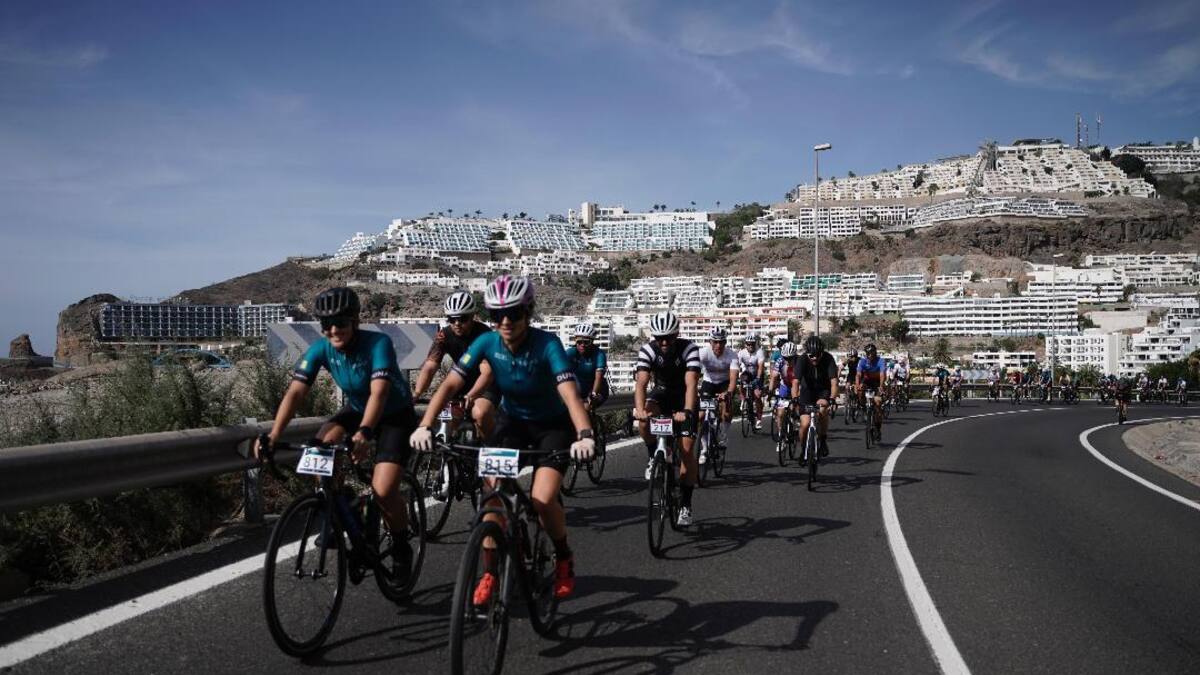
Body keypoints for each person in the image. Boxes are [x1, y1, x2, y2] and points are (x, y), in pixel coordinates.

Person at [410, 275, 595, 603]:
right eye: (497, 315)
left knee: (542, 499)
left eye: (514, 313)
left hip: (552, 426)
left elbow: (569, 393)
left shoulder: (547, 344)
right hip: (513, 423)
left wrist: (584, 434)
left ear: (528, 312)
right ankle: (490, 572)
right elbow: (450, 384)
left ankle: (564, 556)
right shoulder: (486, 343)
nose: (506, 321)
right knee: (492, 499)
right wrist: (425, 425)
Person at [259, 287, 418, 582]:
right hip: (357, 409)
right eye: (327, 324)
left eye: (341, 323)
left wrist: (365, 433)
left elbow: (379, 393)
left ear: (355, 321)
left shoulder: (378, 343)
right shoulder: (321, 349)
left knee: (384, 491)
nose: (334, 330)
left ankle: (401, 547)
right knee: (320, 448)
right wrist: (274, 434)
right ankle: (343, 509)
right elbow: (295, 393)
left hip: (394, 415)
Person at [633, 311, 702, 526]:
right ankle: (653, 455)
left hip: (684, 397)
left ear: (676, 334)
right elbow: (641, 383)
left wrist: (687, 411)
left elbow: (691, 383)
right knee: (643, 419)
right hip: (661, 394)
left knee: (687, 451)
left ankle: (686, 504)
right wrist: (640, 410)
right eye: (659, 338)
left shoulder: (689, 349)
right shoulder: (648, 350)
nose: (664, 342)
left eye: (669, 338)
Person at [412, 290, 498, 439]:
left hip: (487, 384)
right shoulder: (444, 335)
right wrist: (417, 393)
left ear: (472, 316)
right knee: (447, 418)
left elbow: (487, 373)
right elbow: (430, 367)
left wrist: (471, 395)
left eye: (463, 319)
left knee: (480, 413)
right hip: (460, 380)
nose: (457, 323)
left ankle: (488, 446)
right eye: (452, 319)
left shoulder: (484, 335)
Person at [697, 326, 739, 461]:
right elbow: (693, 373)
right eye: (715, 342)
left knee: (726, 410)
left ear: (725, 342)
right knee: (700, 416)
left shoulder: (732, 355)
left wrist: (728, 392)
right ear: (710, 342)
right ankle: (704, 448)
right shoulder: (703, 353)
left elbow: (733, 379)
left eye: (721, 342)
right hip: (709, 383)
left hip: (725, 383)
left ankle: (723, 436)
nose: (718, 345)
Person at [795, 336, 839, 458]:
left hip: (823, 391)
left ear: (822, 353)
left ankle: (823, 440)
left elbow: (834, 382)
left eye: (818, 355)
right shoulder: (802, 359)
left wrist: (832, 399)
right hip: (807, 392)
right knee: (805, 424)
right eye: (811, 356)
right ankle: (803, 449)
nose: (815, 358)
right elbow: (796, 382)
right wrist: (794, 398)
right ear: (807, 354)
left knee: (823, 410)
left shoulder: (828, 358)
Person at [566, 322, 609, 408]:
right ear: (575, 341)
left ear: (592, 342)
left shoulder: (599, 354)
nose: (582, 345)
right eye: (579, 342)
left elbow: (598, 378)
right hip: (579, 388)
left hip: (597, 388)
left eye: (586, 342)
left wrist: (593, 394)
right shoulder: (570, 352)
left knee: (585, 408)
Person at [770, 342, 800, 455]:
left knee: (795, 406)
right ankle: (781, 436)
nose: (788, 360)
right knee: (780, 413)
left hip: (798, 385)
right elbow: (773, 377)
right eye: (785, 358)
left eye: (790, 358)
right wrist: (770, 391)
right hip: (785, 386)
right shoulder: (780, 361)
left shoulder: (800, 362)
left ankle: (796, 421)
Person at [736, 334, 767, 429]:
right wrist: (736, 376)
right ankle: (743, 400)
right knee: (741, 381)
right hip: (748, 374)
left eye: (752, 344)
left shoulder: (759, 352)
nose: (750, 346)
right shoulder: (741, 353)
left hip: (757, 374)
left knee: (757, 396)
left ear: (755, 344)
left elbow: (761, 367)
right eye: (748, 344)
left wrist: (758, 378)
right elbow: (736, 365)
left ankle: (759, 419)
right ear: (745, 345)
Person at [855, 344, 886, 434]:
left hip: (877, 382)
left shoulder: (880, 361)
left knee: (878, 402)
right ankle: (864, 408)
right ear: (866, 354)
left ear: (875, 352)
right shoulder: (863, 361)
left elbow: (882, 375)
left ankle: (878, 428)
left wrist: (881, 386)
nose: (870, 355)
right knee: (860, 391)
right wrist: (857, 385)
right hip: (867, 381)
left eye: (872, 353)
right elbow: (858, 374)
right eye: (868, 353)